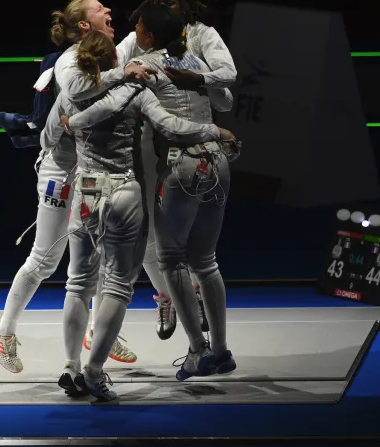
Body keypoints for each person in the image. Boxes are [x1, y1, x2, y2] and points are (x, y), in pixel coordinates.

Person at [44, 30, 236, 400]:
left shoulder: (70, 96)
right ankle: (94, 371)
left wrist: (72, 127)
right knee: (117, 284)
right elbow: (172, 126)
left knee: (77, 281)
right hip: (122, 191)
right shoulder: (135, 92)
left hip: (85, 190)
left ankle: (70, 364)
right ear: (115, 62)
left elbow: (48, 139)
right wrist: (213, 129)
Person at [0, 0, 153, 374]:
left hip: (93, 172)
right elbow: (78, 91)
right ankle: (3, 330)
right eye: (100, 10)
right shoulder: (69, 61)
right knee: (45, 258)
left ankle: (95, 331)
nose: (109, 12)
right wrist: (122, 76)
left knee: (95, 257)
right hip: (61, 172)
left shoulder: (111, 49)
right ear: (83, 25)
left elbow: (140, 37)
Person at [128, 0, 238, 340]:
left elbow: (226, 83)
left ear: (186, 5)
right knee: (147, 239)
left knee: (186, 249)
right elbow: (114, 66)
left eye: (170, 1)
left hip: (186, 150)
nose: (163, 6)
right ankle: (168, 297)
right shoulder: (141, 40)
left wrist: (199, 80)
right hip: (152, 147)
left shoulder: (203, 38)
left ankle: (197, 330)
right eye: (158, 2)